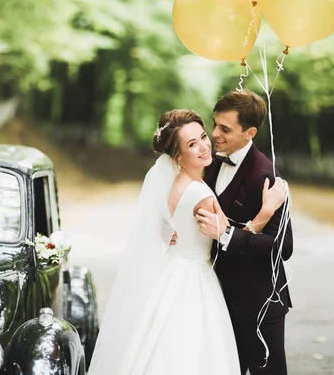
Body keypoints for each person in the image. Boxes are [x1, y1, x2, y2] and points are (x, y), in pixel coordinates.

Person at [88, 109, 241, 375]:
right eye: (192, 144)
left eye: (203, 137)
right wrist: (266, 211)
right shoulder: (199, 194)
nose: (204, 146)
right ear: (178, 155)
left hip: (171, 273)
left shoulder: (175, 184)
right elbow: (228, 233)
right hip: (193, 278)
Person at [195, 89, 294, 375]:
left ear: (250, 133)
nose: (214, 134)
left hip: (259, 303)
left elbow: (282, 246)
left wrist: (227, 235)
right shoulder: (211, 163)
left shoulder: (266, 175)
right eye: (214, 124)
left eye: (225, 128)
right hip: (218, 298)